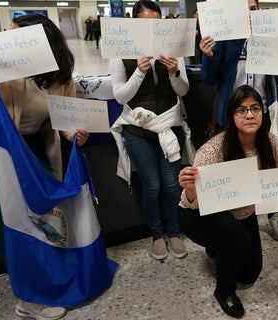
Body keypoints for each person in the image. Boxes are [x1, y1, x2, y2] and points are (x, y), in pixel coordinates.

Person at [0, 14, 88, 320]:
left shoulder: (61, 77)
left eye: (16, 35)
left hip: (33, 152)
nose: (8, 40)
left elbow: (66, 120)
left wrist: (77, 133)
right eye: (8, 34)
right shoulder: (2, 71)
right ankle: (28, 300)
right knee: (12, 227)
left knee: (47, 221)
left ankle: (48, 283)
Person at [177, 85, 278, 318]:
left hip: (243, 211)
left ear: (263, 112)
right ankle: (224, 291)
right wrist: (191, 188)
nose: (250, 115)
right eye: (241, 110)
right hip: (199, 213)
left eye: (255, 108)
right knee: (236, 240)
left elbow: (276, 187)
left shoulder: (272, 143)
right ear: (231, 116)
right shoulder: (213, 150)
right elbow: (191, 203)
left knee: (250, 274)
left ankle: (217, 247)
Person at [199, 0, 278, 241]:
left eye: (252, 8)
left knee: (268, 166)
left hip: (262, 114)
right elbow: (210, 79)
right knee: (232, 171)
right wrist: (208, 55)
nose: (249, 14)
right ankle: (232, 222)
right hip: (232, 117)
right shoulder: (225, 38)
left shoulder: (272, 37)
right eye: (244, 9)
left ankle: (273, 215)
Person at [110, 0, 191, 261]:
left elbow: (183, 90)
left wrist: (174, 72)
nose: (152, 31)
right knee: (152, 186)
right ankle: (157, 234)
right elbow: (121, 96)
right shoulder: (120, 49)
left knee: (171, 184)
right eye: (145, 25)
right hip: (138, 128)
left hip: (169, 123)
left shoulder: (173, 48)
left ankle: (174, 231)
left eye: (157, 25)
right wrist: (139, 72)